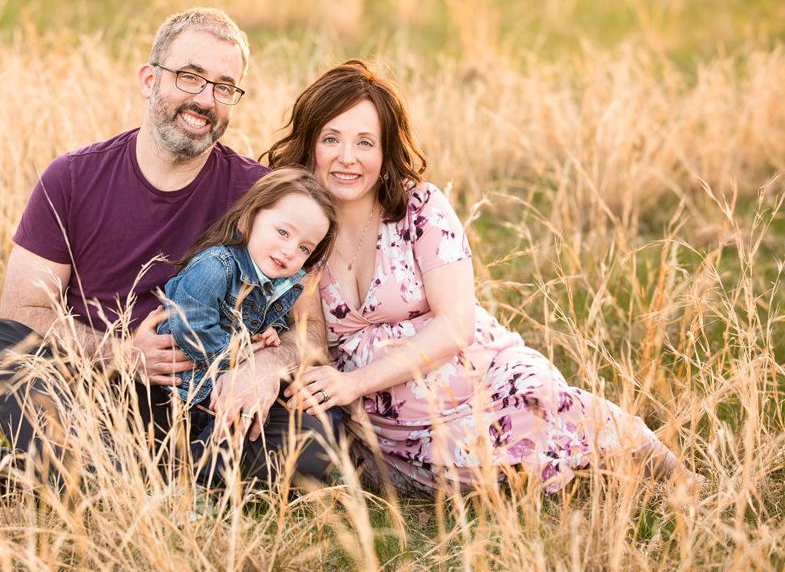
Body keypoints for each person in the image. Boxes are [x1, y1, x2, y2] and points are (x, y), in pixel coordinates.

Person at [269, 60, 700, 494]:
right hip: (395, 435)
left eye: (365, 142)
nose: (347, 158)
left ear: (384, 154)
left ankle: (680, 480)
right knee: (487, 473)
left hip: (485, 382)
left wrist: (353, 382)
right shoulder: (300, 228)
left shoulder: (420, 209)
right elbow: (312, 341)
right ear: (311, 147)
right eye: (331, 139)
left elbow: (456, 327)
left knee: (557, 414)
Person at [0, 8, 336, 489]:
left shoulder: (260, 195)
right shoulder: (73, 178)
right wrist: (122, 353)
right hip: (101, 389)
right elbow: (22, 310)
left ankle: (84, 470)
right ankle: (123, 468)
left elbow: (311, 336)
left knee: (315, 452)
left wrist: (262, 367)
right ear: (149, 79)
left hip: (213, 397)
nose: (205, 100)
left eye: (224, 87)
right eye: (190, 77)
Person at [156, 167, 337, 483]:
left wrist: (271, 334)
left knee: (295, 440)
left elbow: (268, 321)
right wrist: (240, 353)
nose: (290, 251)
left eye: (305, 248)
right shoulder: (215, 268)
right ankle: (187, 474)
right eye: (283, 232)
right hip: (180, 390)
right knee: (230, 419)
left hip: (221, 394)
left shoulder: (282, 283)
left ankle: (195, 470)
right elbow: (190, 328)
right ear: (247, 220)